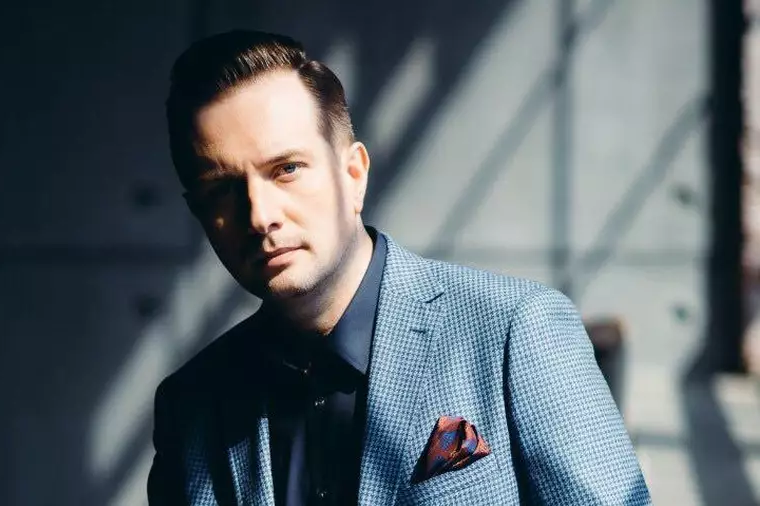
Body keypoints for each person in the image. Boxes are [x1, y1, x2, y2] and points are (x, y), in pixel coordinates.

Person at [148, 29, 651, 506]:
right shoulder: (192, 403)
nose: (260, 216)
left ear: (353, 175)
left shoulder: (514, 331)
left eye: (286, 169)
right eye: (222, 191)